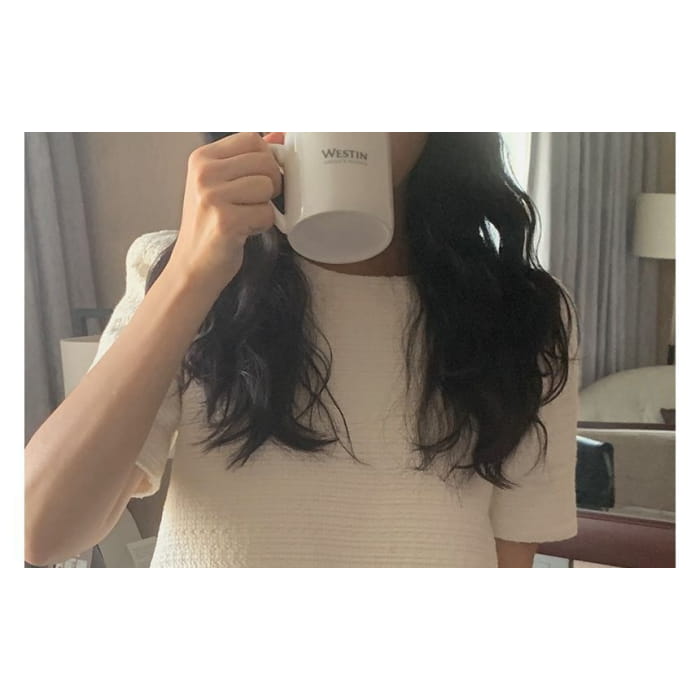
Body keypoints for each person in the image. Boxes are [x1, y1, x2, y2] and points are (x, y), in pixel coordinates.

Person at [25, 132, 581, 568]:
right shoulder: (179, 271)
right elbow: (40, 530)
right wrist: (190, 275)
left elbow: (512, 553)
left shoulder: (526, 313)